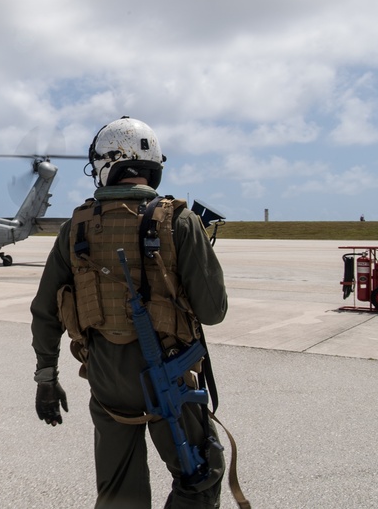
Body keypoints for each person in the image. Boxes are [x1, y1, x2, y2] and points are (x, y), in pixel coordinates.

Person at [31, 117, 231, 508]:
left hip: (105, 373)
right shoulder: (179, 220)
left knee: (119, 490)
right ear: (152, 164)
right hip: (167, 371)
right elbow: (213, 311)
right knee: (201, 473)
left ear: (106, 164)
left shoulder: (76, 228)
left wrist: (46, 377)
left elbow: (45, 311)